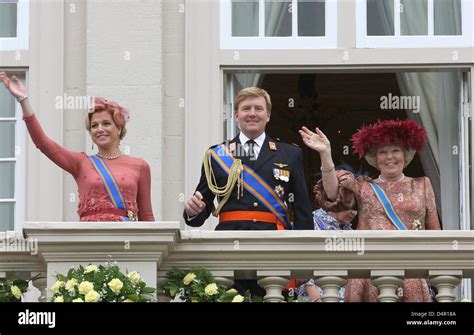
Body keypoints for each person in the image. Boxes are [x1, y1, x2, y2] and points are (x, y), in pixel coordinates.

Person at [300, 119, 441, 302]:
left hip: (411, 271)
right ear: (375, 158)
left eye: (395, 150)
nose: (389, 157)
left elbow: (435, 232)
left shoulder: (422, 185)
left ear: (405, 154)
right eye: (383, 152)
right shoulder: (363, 186)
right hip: (368, 272)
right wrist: (326, 153)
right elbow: (333, 191)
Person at [0, 72, 155, 222]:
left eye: (106, 123)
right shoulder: (81, 162)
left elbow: (147, 217)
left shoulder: (140, 166)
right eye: (94, 126)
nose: (100, 129)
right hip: (89, 239)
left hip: (126, 241)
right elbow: (43, 143)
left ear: (119, 128)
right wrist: (23, 100)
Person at [183, 87, 313, 231]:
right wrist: (193, 211)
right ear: (236, 115)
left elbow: (302, 210)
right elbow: (202, 206)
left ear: (268, 115)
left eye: (258, 108)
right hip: (230, 241)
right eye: (246, 109)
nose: (252, 114)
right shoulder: (217, 155)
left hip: (274, 242)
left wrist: (305, 249)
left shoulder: (290, 154)